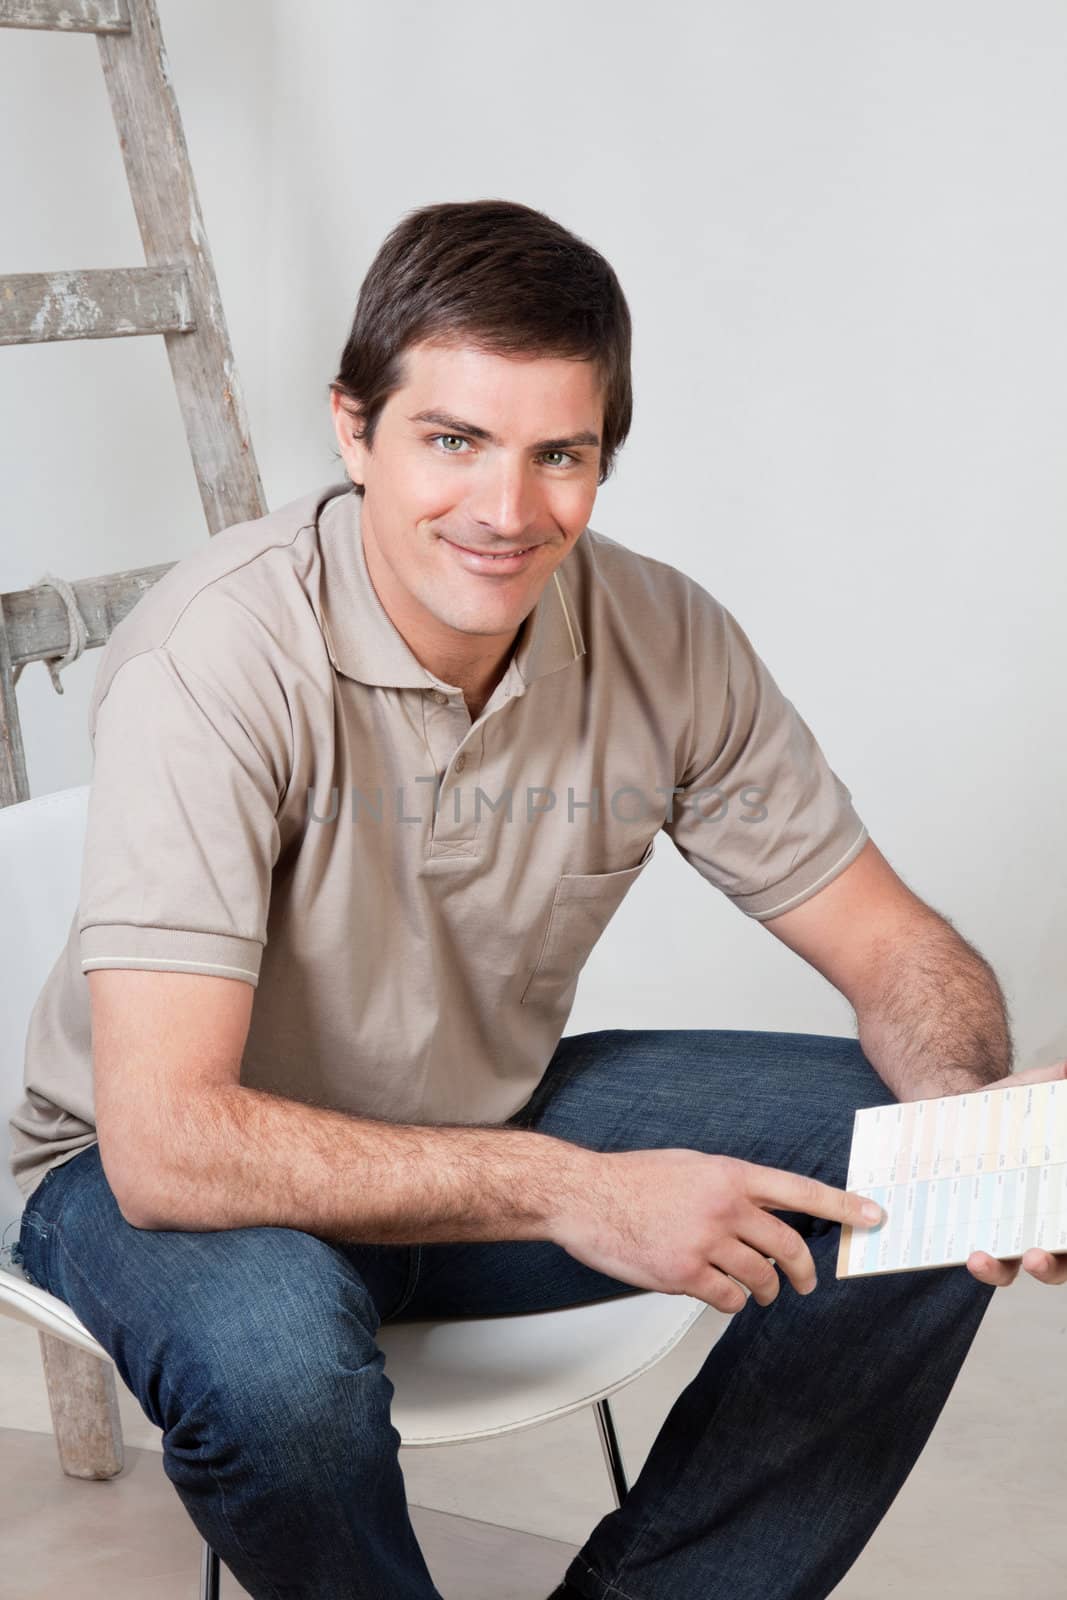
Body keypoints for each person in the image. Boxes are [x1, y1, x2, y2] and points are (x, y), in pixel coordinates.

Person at [8, 197, 1065, 1600]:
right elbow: (168, 1144)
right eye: (453, 441)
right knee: (278, 1376)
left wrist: (973, 1124)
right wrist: (581, 1194)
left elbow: (895, 948)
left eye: (558, 455)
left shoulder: (661, 637)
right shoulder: (215, 659)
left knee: (941, 1166)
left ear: (601, 458)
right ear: (353, 428)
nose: (506, 514)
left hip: (467, 1132)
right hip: (162, 1184)